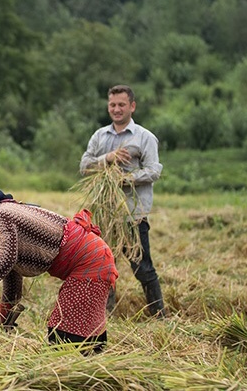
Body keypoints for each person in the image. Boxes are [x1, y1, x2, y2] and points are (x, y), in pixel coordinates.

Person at [0, 177, 118, 352]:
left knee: (65, 337)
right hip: (94, 258)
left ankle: (83, 374)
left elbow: (5, 259)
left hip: (91, 262)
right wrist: (5, 316)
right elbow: (11, 267)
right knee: (77, 332)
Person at [79, 84, 165, 317]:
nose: (116, 109)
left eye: (121, 105)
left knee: (142, 266)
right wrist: (108, 158)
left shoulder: (144, 137)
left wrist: (125, 179)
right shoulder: (100, 136)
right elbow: (84, 166)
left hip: (133, 214)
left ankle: (159, 314)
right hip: (105, 214)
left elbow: (154, 170)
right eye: (112, 105)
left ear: (132, 107)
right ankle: (104, 313)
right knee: (103, 264)